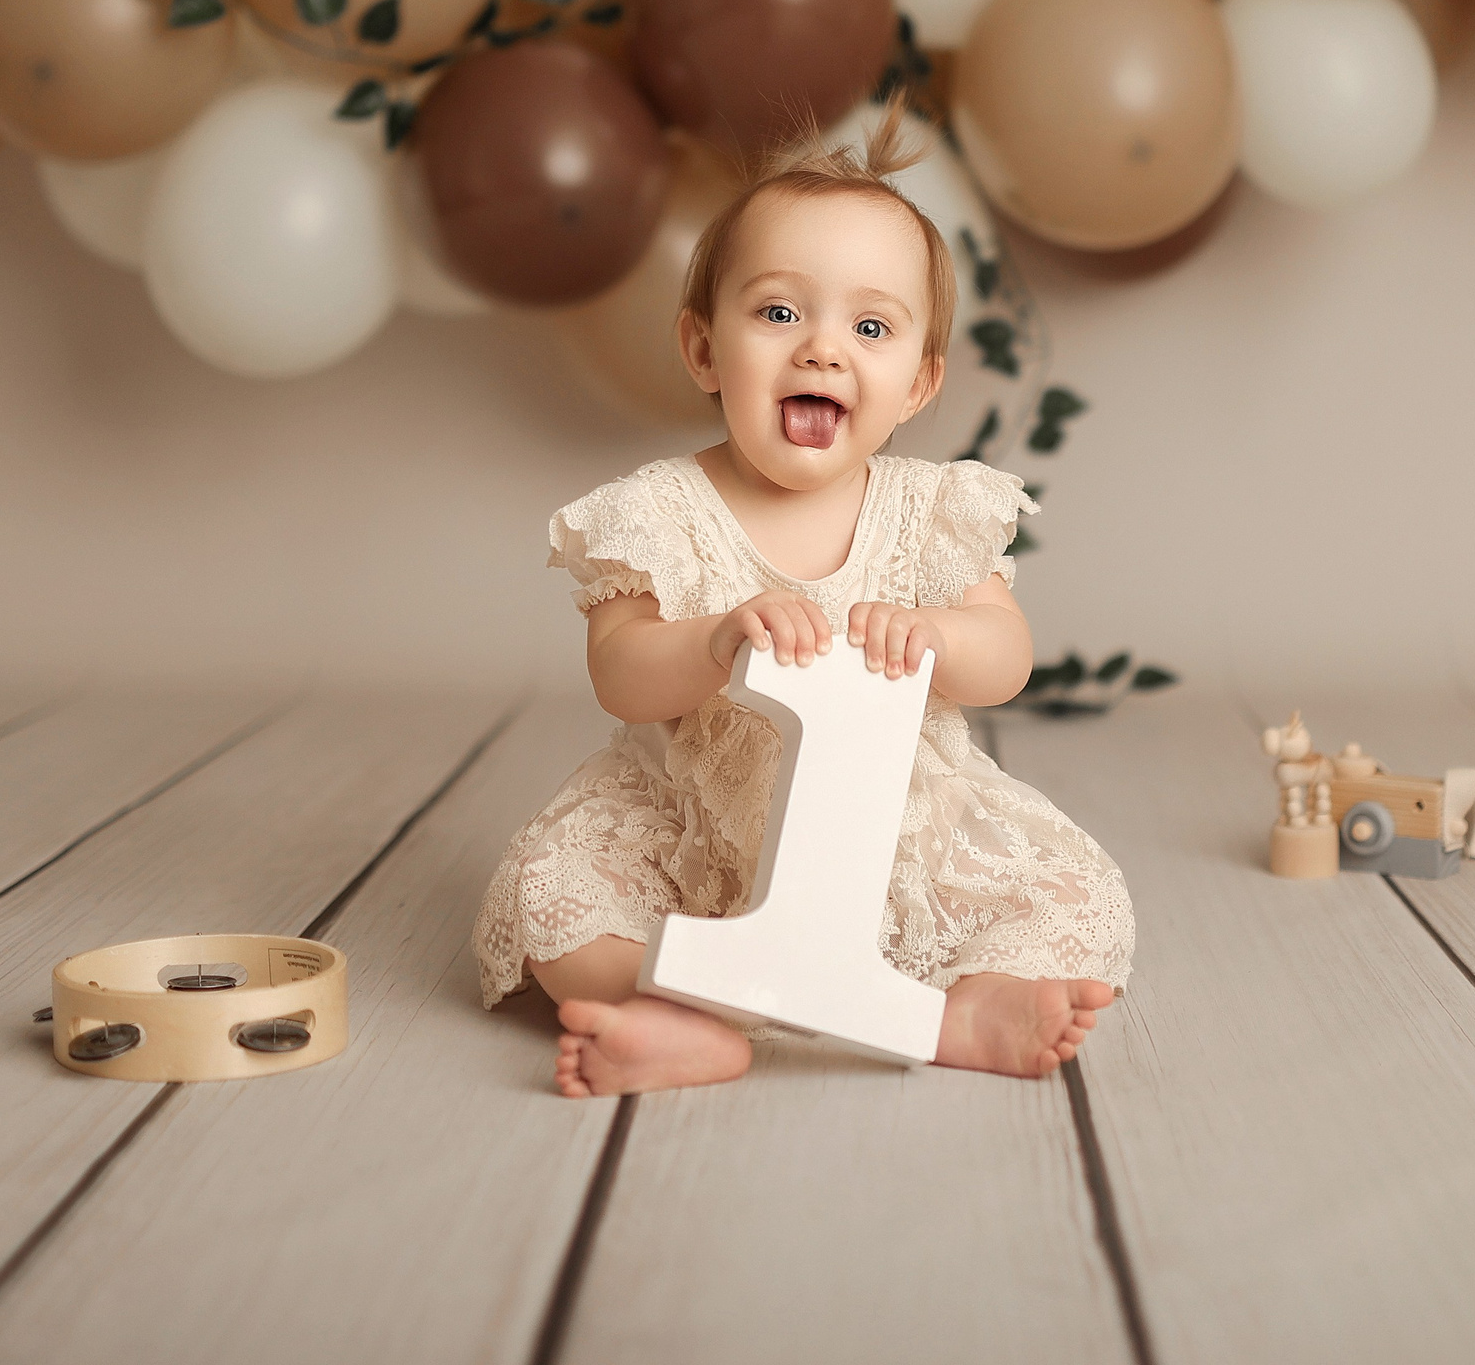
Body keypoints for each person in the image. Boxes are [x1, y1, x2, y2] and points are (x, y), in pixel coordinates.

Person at [472, 105, 1135, 1097]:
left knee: (1073, 896)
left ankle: (963, 1012)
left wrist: (941, 635)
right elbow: (619, 673)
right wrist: (713, 642)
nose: (822, 351)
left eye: (869, 327)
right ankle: (688, 1013)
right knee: (551, 895)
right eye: (779, 313)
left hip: (901, 834)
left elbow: (1006, 659)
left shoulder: (931, 509)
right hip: (691, 835)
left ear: (917, 383)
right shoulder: (658, 512)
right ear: (702, 350)